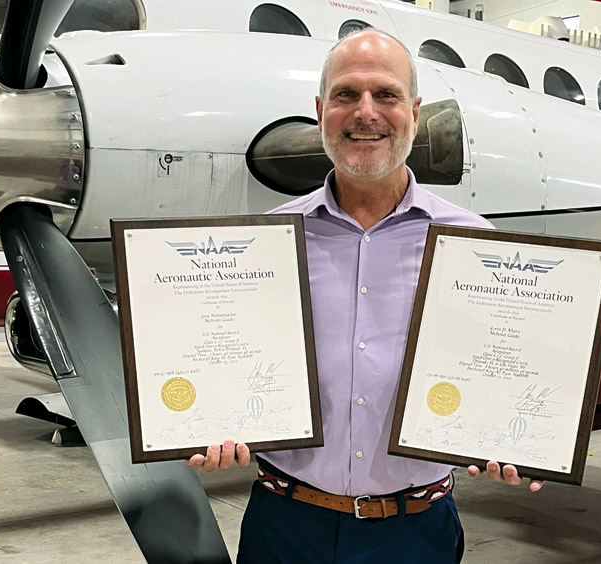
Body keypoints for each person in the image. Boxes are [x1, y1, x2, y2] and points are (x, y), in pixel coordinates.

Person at [188, 28, 543, 563]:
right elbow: (225, 361)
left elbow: (507, 370)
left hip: (414, 533)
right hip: (285, 524)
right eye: (347, 95)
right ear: (320, 110)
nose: (366, 112)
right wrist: (212, 422)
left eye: (387, 95)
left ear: (416, 113)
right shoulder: (261, 247)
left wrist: (519, 439)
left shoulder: (475, 246)